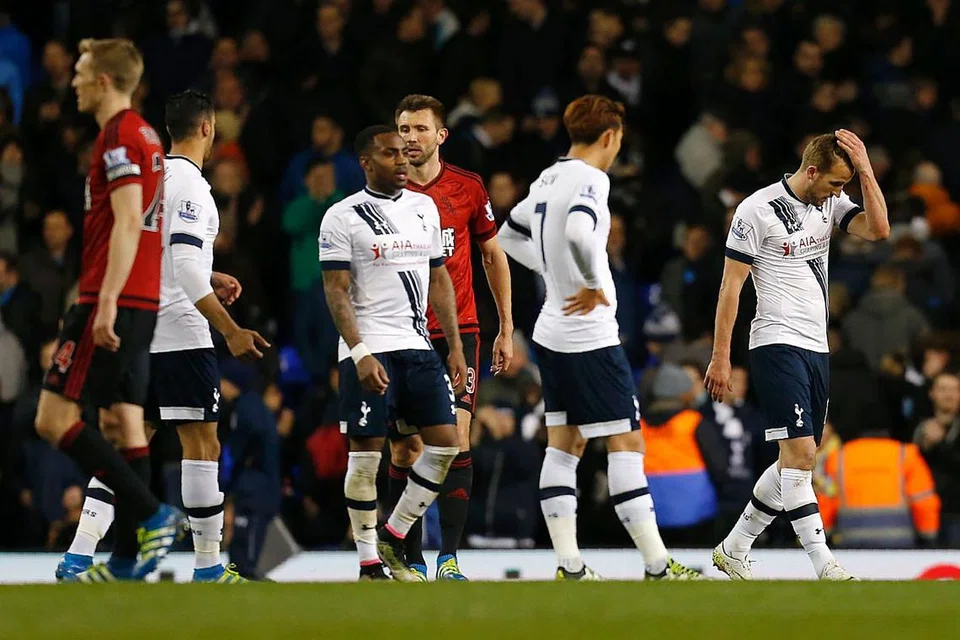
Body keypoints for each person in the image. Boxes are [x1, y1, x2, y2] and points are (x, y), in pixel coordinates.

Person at [56, 90, 269, 582]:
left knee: (131, 444)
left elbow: (153, 249)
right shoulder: (194, 187)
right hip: (181, 334)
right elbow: (188, 269)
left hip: (138, 330)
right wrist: (231, 330)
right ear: (209, 128)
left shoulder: (150, 176)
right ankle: (209, 566)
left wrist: (209, 274)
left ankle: (77, 556)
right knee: (203, 445)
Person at [497, 95, 701, 581]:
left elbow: (507, 235)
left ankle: (569, 564)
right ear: (609, 136)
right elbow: (578, 234)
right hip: (588, 334)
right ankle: (656, 564)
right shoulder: (592, 178)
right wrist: (587, 281)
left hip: (551, 330)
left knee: (563, 445)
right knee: (626, 441)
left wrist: (550, 272)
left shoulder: (548, 176)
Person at [706, 131, 890, 580]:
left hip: (816, 346)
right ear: (811, 172)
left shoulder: (830, 203)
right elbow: (731, 287)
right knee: (803, 454)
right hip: (775, 341)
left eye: (845, 185)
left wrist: (865, 169)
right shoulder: (756, 211)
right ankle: (823, 563)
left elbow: (879, 230)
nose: (839, 193)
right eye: (835, 184)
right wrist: (720, 356)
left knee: (795, 458)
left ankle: (734, 549)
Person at [33, 38, 182, 582]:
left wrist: (105, 301)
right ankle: (124, 561)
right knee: (124, 421)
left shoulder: (119, 136)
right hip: (140, 296)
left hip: (113, 297)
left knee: (53, 419)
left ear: (102, 81)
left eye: (79, 71)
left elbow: (125, 220)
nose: (71, 81)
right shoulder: (146, 134)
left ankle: (152, 514)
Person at [319, 125, 467, 581]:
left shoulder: (425, 208)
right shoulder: (342, 217)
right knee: (366, 456)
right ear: (366, 162)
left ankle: (394, 533)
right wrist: (360, 352)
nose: (402, 162)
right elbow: (336, 291)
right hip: (370, 351)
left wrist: (456, 345)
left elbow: (439, 279)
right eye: (390, 155)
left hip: (418, 348)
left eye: (405, 154)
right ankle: (368, 563)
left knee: (445, 446)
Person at [389, 94, 514, 581]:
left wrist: (505, 326)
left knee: (457, 438)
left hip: (459, 330)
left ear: (441, 135)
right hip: (402, 331)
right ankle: (411, 558)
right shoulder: (384, 191)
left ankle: (450, 560)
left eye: (420, 128)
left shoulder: (466, 187)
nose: (410, 138)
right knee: (407, 450)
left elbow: (493, 255)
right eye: (403, 128)